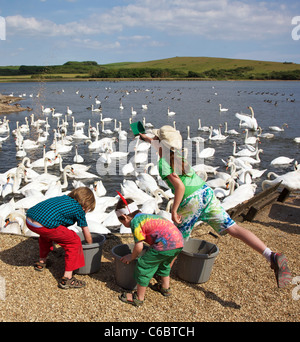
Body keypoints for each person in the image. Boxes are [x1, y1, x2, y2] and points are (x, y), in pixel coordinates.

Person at [139, 125, 292, 288]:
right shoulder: (175, 154)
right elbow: (160, 143)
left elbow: (180, 188)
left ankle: (162, 282)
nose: (153, 140)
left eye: (155, 139)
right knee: (234, 229)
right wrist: (144, 137)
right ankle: (271, 255)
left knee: (175, 241)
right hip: (205, 193)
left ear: (160, 143)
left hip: (190, 200)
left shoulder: (163, 163)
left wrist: (174, 210)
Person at [115, 196, 183, 306]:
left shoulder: (135, 222)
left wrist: (131, 257)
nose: (124, 225)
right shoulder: (144, 216)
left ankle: (138, 297)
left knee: (143, 265)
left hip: (165, 245)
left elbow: (139, 247)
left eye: (122, 222)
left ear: (124, 217)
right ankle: (165, 288)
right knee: (164, 264)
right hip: (178, 242)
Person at [26, 187, 95, 289]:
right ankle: (67, 278)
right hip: (43, 225)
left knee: (46, 235)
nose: (85, 212)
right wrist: (91, 246)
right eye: (88, 210)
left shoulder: (64, 198)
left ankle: (41, 262)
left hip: (30, 219)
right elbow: (86, 234)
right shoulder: (79, 209)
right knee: (74, 241)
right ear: (85, 205)